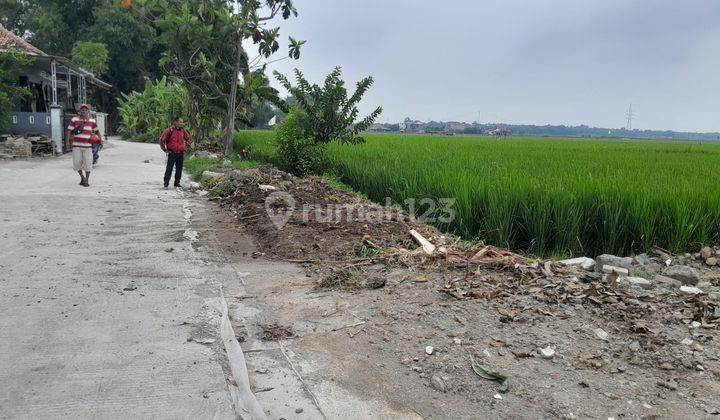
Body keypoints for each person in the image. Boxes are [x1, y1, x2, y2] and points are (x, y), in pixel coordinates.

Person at [66, 104, 101, 187]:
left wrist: (100, 140)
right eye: (82, 109)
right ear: (79, 111)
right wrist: (67, 142)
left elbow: (96, 131)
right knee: (76, 164)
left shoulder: (92, 121)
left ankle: (86, 180)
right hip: (76, 146)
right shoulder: (74, 120)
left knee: (88, 164)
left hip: (88, 146)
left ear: (88, 111)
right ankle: (82, 177)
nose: (83, 111)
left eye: (85, 110)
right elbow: (69, 131)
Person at [159, 117, 192, 188]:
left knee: (179, 169)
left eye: (182, 122)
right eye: (180, 122)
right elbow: (162, 140)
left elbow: (188, 138)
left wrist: (185, 145)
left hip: (180, 153)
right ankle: (166, 184)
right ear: (176, 122)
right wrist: (165, 149)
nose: (182, 123)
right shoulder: (169, 130)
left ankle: (177, 183)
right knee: (169, 168)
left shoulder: (183, 131)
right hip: (172, 153)